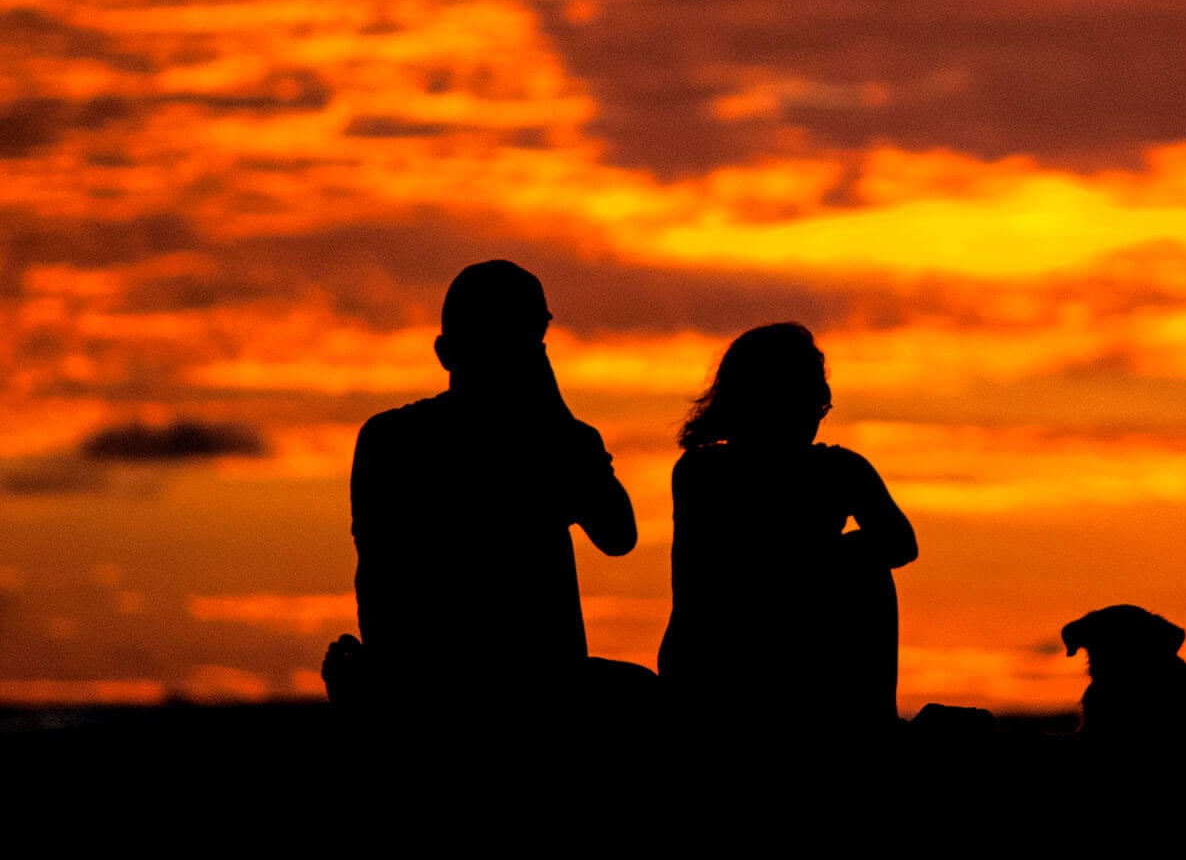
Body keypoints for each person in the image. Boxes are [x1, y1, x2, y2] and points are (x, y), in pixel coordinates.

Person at [327, 260, 651, 733]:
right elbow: (619, 535)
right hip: (501, 696)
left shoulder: (391, 439)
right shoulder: (550, 442)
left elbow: (619, 535)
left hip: (429, 693)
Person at [657, 323, 917, 745]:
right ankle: (867, 725)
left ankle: (867, 721)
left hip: (767, 661)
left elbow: (902, 544)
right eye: (806, 401)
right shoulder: (705, 473)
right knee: (865, 569)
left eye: (818, 405)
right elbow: (744, 574)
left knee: (868, 566)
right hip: (724, 667)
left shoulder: (837, 470)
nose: (815, 415)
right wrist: (835, 554)